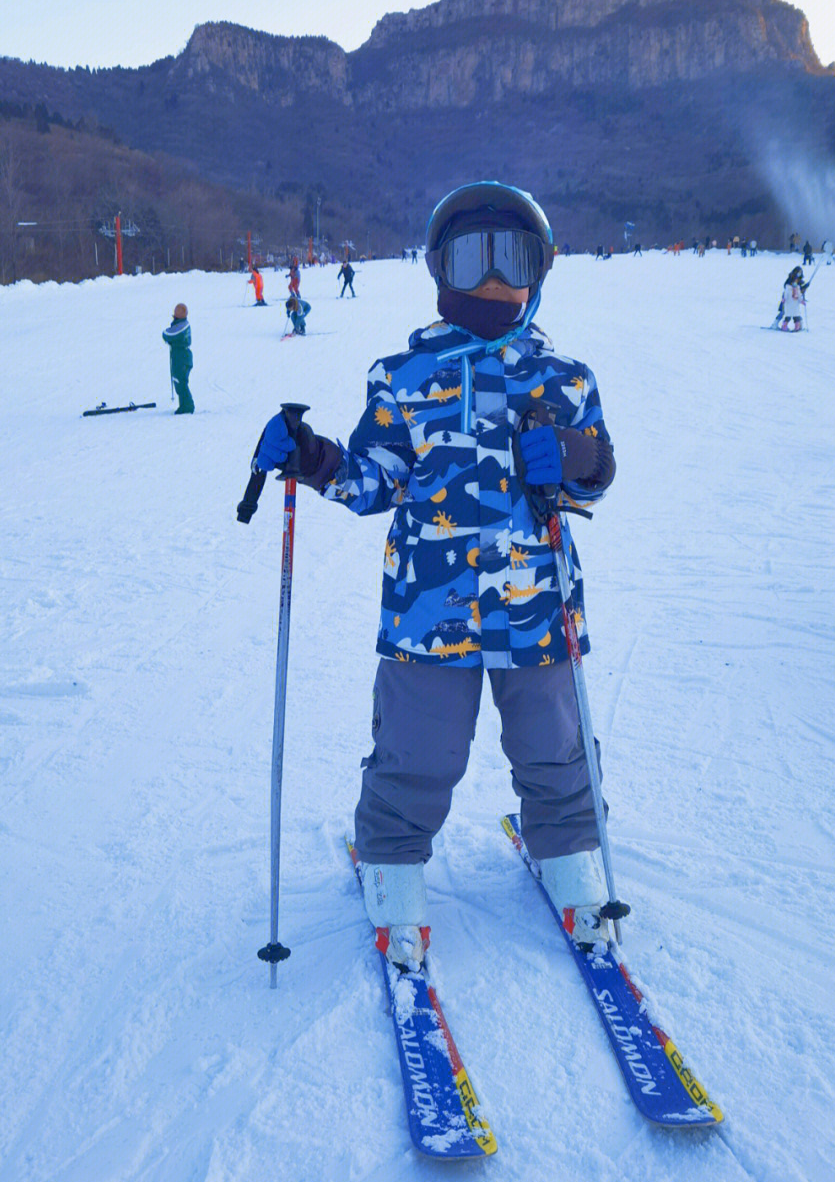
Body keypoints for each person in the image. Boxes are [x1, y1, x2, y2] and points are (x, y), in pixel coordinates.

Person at [252, 182, 617, 971]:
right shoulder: (402, 375)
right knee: (420, 750)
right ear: (438, 268)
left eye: (510, 259)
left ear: (539, 271)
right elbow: (372, 479)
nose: (490, 280)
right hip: (430, 612)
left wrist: (577, 457)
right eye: (469, 258)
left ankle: (568, 846)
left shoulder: (564, 377)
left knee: (554, 746)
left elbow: (596, 474)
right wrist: (313, 459)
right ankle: (390, 853)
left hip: (538, 607)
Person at [162, 303, 194, 413]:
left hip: (182, 357)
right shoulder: (181, 324)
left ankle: (187, 406)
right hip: (180, 356)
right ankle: (185, 405)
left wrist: (170, 339)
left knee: (180, 382)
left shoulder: (182, 326)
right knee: (179, 381)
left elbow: (167, 334)